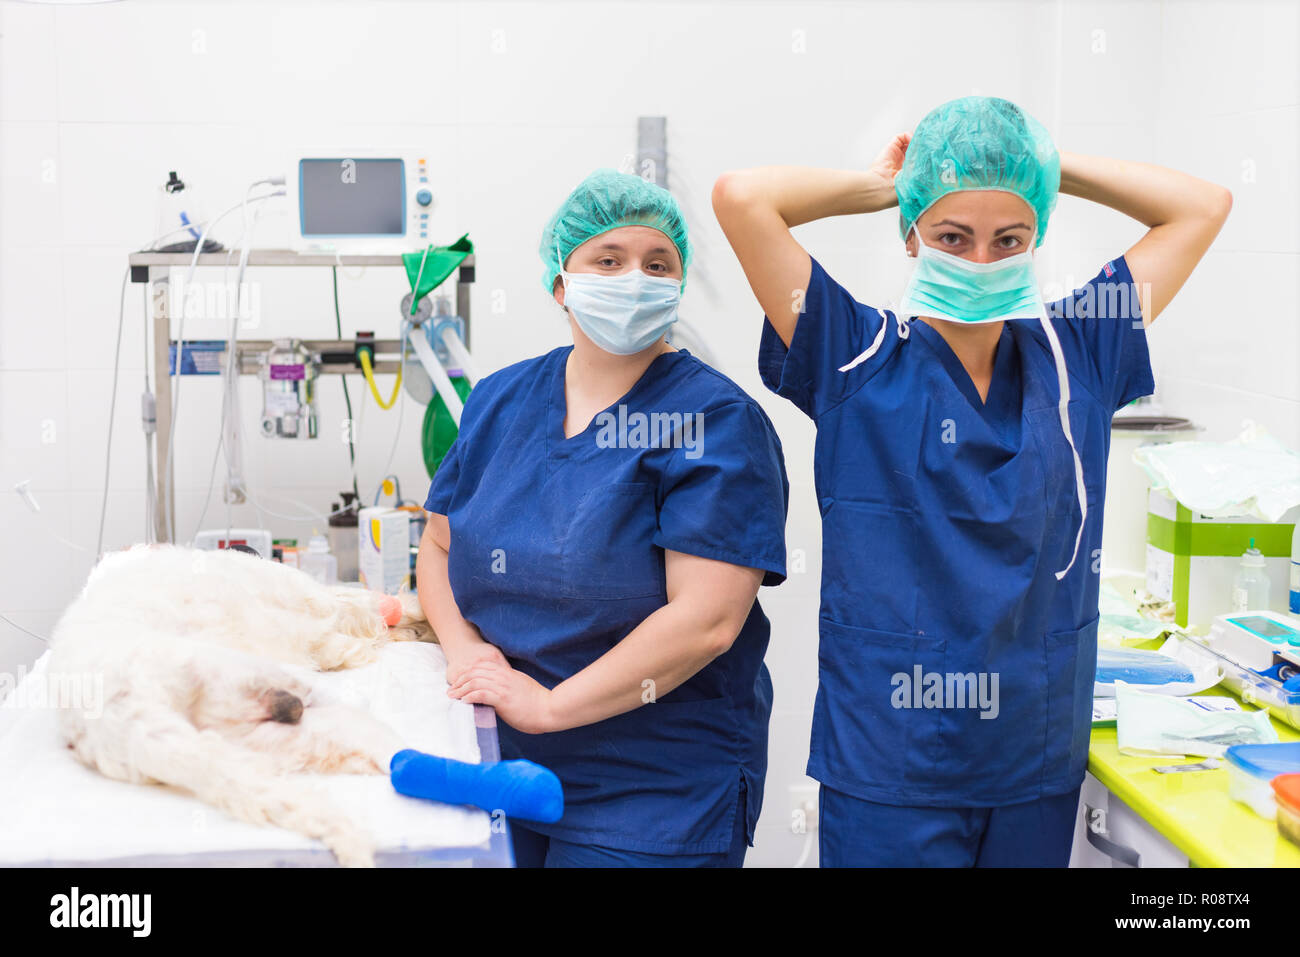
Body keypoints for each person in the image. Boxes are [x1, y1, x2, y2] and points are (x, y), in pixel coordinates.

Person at [712, 96, 1231, 866]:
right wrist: (893, 184)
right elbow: (742, 198)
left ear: (1036, 238)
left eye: (1009, 237)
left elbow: (1201, 207)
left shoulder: (1079, 349)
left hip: (1033, 760)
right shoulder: (853, 353)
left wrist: (1042, 170)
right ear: (914, 236)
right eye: (954, 235)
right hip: (893, 766)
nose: (982, 260)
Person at [417, 169, 790, 867]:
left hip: (654, 789)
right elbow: (436, 548)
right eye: (607, 261)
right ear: (561, 282)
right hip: (504, 760)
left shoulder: (716, 422)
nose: (633, 279)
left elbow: (705, 622)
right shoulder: (501, 401)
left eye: (657, 264)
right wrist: (465, 650)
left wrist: (549, 706)